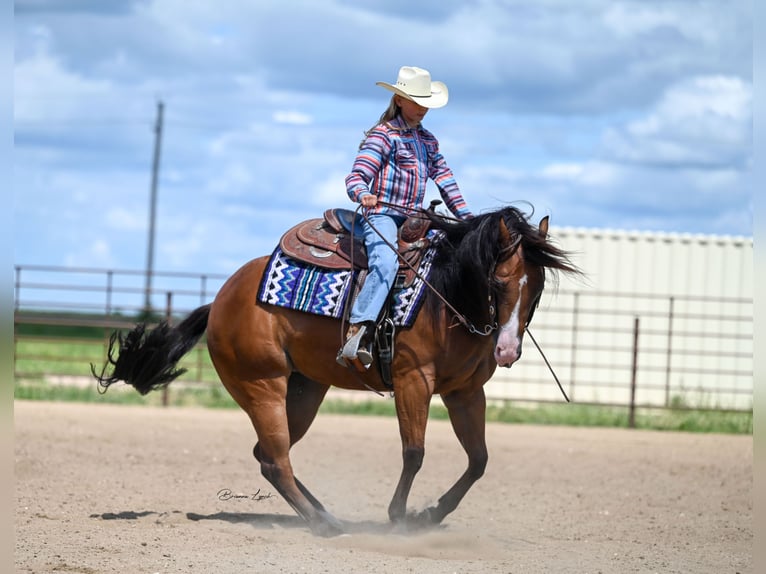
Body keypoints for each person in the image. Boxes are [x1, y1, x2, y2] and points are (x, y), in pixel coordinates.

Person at [338, 65, 474, 367]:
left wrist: (466, 218)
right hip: (383, 214)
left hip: (416, 219)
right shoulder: (383, 136)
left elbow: (446, 179)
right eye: (416, 101)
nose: (423, 108)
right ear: (399, 100)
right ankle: (359, 327)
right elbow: (356, 177)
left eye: (426, 101)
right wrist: (363, 194)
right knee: (385, 263)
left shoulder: (428, 141)